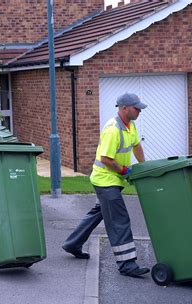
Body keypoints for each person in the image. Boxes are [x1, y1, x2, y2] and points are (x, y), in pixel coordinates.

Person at [62, 92, 150, 277]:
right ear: (124, 108)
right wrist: (125, 171)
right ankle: (127, 264)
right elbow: (106, 158)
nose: (139, 111)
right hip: (105, 180)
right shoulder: (112, 129)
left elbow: (136, 146)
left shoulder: (130, 126)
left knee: (98, 213)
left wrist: (144, 168)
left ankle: (73, 243)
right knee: (119, 220)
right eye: (137, 108)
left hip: (113, 180)